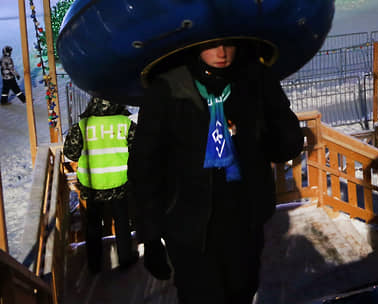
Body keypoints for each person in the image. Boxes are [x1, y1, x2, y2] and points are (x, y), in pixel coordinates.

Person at [129, 39, 304, 303]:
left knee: (242, 291)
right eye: (212, 45)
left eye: (228, 44)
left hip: (244, 220)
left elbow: (283, 146)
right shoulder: (167, 88)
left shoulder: (253, 80)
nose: (222, 53)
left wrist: (274, 110)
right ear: (192, 44)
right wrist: (150, 236)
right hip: (189, 227)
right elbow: (145, 166)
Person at [63, 97, 138, 273]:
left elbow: (70, 153)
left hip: (92, 184)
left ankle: (94, 264)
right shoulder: (125, 123)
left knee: (93, 225)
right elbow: (138, 149)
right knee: (122, 221)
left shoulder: (83, 125)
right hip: (120, 182)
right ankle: (125, 258)